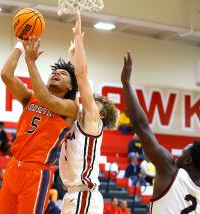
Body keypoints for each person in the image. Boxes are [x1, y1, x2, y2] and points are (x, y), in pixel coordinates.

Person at [121, 51, 200, 213]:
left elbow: (140, 125)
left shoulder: (169, 170)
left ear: (188, 160)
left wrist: (126, 83)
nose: (177, 156)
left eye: (182, 153)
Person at [0, 25, 79, 213]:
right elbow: (5, 74)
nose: (56, 73)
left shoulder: (70, 108)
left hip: (37, 173)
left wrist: (31, 62)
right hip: (13, 167)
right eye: (54, 71)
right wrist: (20, 44)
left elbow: (45, 98)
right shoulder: (30, 97)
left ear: (70, 87)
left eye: (63, 73)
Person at [59, 11, 118, 214]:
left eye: (96, 103)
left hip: (84, 195)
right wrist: (72, 57)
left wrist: (78, 35)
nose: (91, 103)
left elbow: (82, 76)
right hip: (74, 195)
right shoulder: (79, 120)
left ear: (101, 115)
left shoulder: (93, 123)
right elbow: (74, 87)